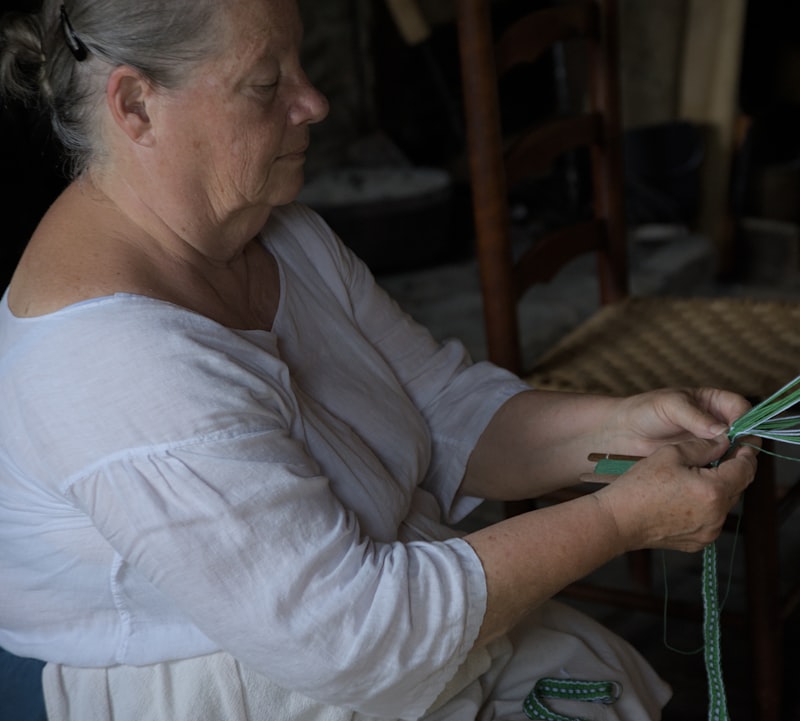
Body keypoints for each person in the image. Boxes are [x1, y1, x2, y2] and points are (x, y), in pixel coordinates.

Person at [0, 1, 759, 719]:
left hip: (375, 632)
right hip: (221, 684)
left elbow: (441, 404)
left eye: (299, 63)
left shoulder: (281, 238)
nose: (314, 101)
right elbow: (350, 631)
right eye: (268, 82)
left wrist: (624, 428)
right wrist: (620, 517)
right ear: (134, 106)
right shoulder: (111, 360)